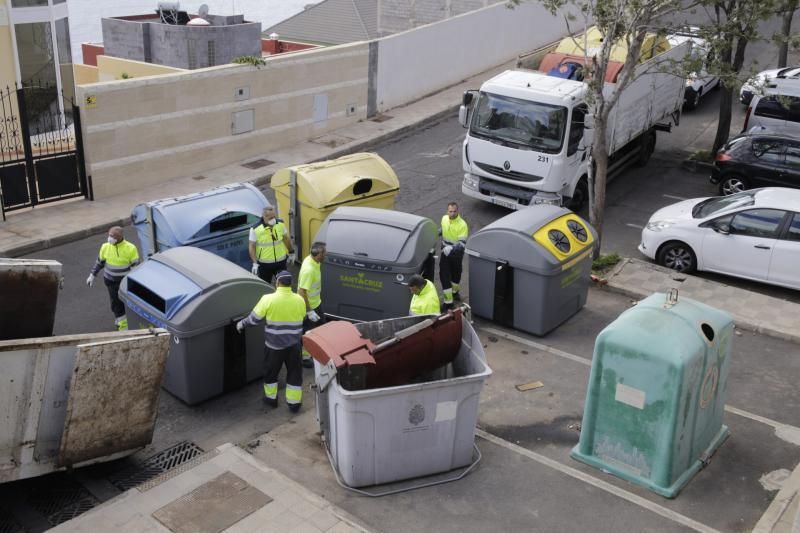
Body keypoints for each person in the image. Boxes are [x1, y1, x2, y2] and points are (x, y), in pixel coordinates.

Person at [236, 270, 306, 412]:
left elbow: (254, 319)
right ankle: (294, 404)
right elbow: (302, 317)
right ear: (290, 284)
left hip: (274, 346)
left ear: (277, 283)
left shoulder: (268, 299)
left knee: (271, 373)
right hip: (294, 345)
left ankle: (271, 399)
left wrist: (241, 324)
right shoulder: (299, 299)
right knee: (294, 373)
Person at [86, 226, 140, 331]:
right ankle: (122, 324)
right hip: (110, 282)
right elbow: (99, 262)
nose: (109, 238)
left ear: (120, 237)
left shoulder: (130, 248)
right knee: (116, 304)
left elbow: (135, 268)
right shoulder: (105, 247)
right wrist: (92, 275)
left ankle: (123, 324)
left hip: (124, 283)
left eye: (112, 236)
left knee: (126, 303)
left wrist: (135, 284)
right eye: (109, 235)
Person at [249, 206, 295, 284]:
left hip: (281, 262)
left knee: (284, 284)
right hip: (264, 264)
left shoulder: (280, 223)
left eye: (274, 217)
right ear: (264, 217)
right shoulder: (255, 229)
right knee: (266, 286)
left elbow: (285, 239)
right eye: (270, 218)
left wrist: (291, 252)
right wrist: (255, 263)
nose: (273, 220)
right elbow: (251, 246)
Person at [298, 242, 325, 368]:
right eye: (324, 253)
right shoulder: (308, 270)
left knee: (320, 328)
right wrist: (309, 311)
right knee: (308, 332)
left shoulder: (315, 261)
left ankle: (315, 351)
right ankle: (305, 357)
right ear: (318, 254)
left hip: (316, 303)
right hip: (310, 307)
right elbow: (301, 291)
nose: (326, 255)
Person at [439, 202, 469, 308]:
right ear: (447, 211)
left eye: (454, 211)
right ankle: (449, 303)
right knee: (444, 276)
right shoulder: (444, 219)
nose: (452, 213)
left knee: (456, 275)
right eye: (450, 211)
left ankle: (455, 292)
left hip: (456, 254)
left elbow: (462, 244)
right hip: (445, 253)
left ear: (458, 211)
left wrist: (451, 248)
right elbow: (443, 230)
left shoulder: (462, 225)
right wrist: (436, 232)